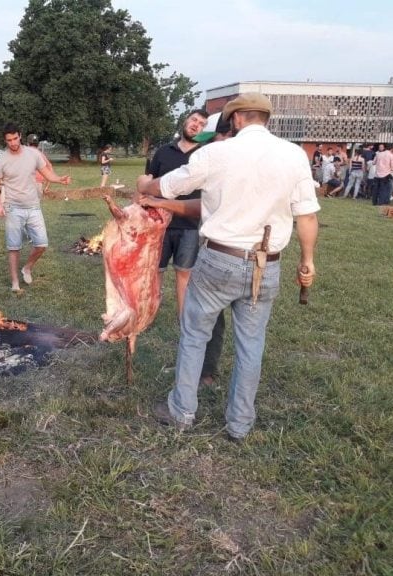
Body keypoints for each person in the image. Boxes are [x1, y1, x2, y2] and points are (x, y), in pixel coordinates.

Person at [137, 93, 319, 442]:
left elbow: (172, 184)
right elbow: (307, 215)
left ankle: (182, 410)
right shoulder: (294, 154)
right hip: (267, 263)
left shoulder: (218, 152)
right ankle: (239, 423)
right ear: (266, 119)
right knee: (251, 345)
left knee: (195, 335)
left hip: (220, 258)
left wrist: (148, 187)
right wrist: (307, 261)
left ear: (235, 119)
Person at [140, 109, 228, 387]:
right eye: (194, 120)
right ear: (185, 122)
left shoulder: (205, 155)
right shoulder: (163, 152)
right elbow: (147, 181)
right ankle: (149, 313)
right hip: (160, 223)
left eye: (202, 123)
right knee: (155, 271)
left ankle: (183, 321)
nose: (196, 125)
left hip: (190, 225)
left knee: (184, 274)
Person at [0, 122, 71, 292]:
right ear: (5, 141)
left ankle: (27, 268)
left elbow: (46, 172)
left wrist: (58, 179)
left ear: (20, 135)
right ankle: (15, 283)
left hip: (33, 207)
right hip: (13, 208)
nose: (12, 143)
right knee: (13, 247)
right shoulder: (1, 160)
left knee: (42, 244)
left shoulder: (33, 154)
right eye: (9, 140)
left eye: (15, 138)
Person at [27, 133, 52, 200]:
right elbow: (50, 167)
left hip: (27, 184)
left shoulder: (24, 154)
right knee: (36, 207)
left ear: (28, 144)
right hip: (38, 184)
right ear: (37, 144)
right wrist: (47, 186)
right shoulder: (41, 155)